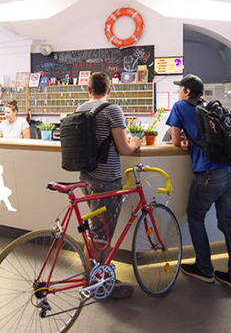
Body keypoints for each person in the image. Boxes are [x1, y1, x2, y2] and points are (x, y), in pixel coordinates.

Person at [166, 74, 231, 295]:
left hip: (210, 174)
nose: (178, 92)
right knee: (229, 222)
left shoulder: (180, 106)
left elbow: (174, 141)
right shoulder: (211, 107)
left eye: (180, 88)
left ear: (187, 92)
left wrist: (184, 141)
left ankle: (204, 268)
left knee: (195, 216)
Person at [76, 72, 142, 299]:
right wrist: (135, 142)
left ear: (88, 89)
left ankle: (93, 276)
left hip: (87, 179)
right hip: (107, 180)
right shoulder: (112, 110)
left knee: (96, 229)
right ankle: (98, 283)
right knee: (101, 234)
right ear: (109, 89)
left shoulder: (81, 109)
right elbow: (124, 148)